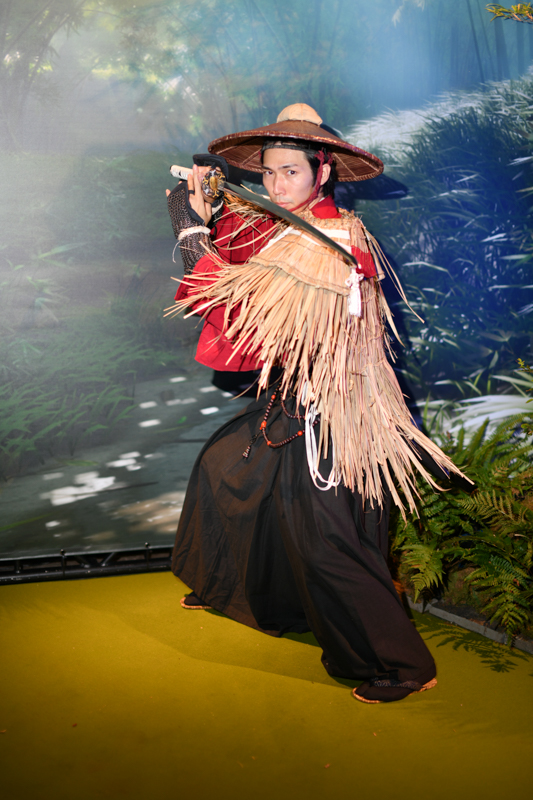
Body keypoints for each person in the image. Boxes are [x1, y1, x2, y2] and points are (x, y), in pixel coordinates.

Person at [166, 104, 467, 704]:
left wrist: (189, 230)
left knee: (328, 539)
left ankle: (402, 664)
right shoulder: (298, 225)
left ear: (322, 172)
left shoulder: (332, 240)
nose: (277, 186)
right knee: (226, 468)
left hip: (331, 410)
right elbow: (248, 240)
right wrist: (212, 207)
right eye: (269, 173)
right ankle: (249, 591)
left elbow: (237, 305)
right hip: (294, 399)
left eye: (291, 173)